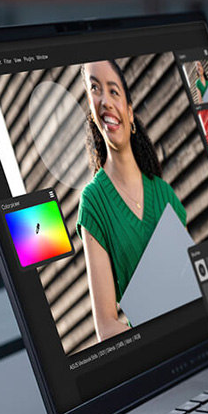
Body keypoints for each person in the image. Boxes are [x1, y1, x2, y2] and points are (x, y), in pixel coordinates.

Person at [77, 60, 187, 342]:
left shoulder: (164, 194)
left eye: (114, 91)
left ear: (129, 111)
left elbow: (191, 284)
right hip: (154, 352)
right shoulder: (94, 202)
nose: (105, 100)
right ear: (92, 111)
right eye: (95, 89)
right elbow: (106, 327)